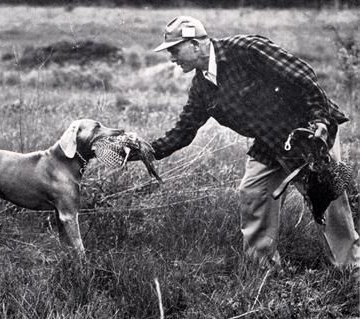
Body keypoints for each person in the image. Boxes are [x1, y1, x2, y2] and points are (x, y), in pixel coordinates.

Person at [146, 16, 359, 267]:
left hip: (309, 133)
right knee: (253, 192)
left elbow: (303, 76)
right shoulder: (202, 86)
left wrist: (320, 121)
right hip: (270, 141)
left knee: (327, 198)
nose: (171, 57)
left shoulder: (247, 49)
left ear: (194, 44)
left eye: (174, 49)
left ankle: (351, 270)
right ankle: (263, 268)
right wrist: (146, 151)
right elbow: (183, 130)